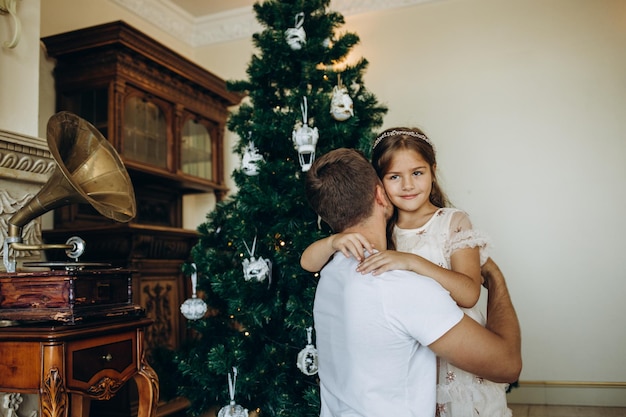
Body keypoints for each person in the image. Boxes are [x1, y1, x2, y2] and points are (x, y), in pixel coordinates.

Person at [302, 128, 512, 416]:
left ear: (432, 172)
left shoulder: (450, 222)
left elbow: (470, 293)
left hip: (460, 356)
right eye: (394, 177)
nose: (407, 186)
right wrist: (333, 241)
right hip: (427, 362)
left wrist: (412, 262)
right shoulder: (384, 234)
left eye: (417, 173)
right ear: (380, 191)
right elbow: (307, 262)